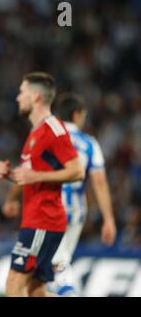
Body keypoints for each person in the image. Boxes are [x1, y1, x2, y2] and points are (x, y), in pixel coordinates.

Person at [0, 72, 84, 297]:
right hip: (38, 218)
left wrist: (36, 177)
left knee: (14, 282)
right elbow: (30, 175)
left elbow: (77, 170)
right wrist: (9, 176)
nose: (17, 98)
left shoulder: (54, 129)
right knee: (36, 290)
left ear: (35, 97)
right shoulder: (36, 132)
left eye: (21, 92)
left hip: (43, 219)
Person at [49, 93, 117, 296]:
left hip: (50, 206)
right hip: (77, 209)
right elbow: (99, 181)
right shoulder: (89, 143)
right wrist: (108, 219)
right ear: (77, 115)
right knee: (61, 258)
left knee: (53, 261)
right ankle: (62, 286)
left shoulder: (50, 138)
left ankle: (66, 289)